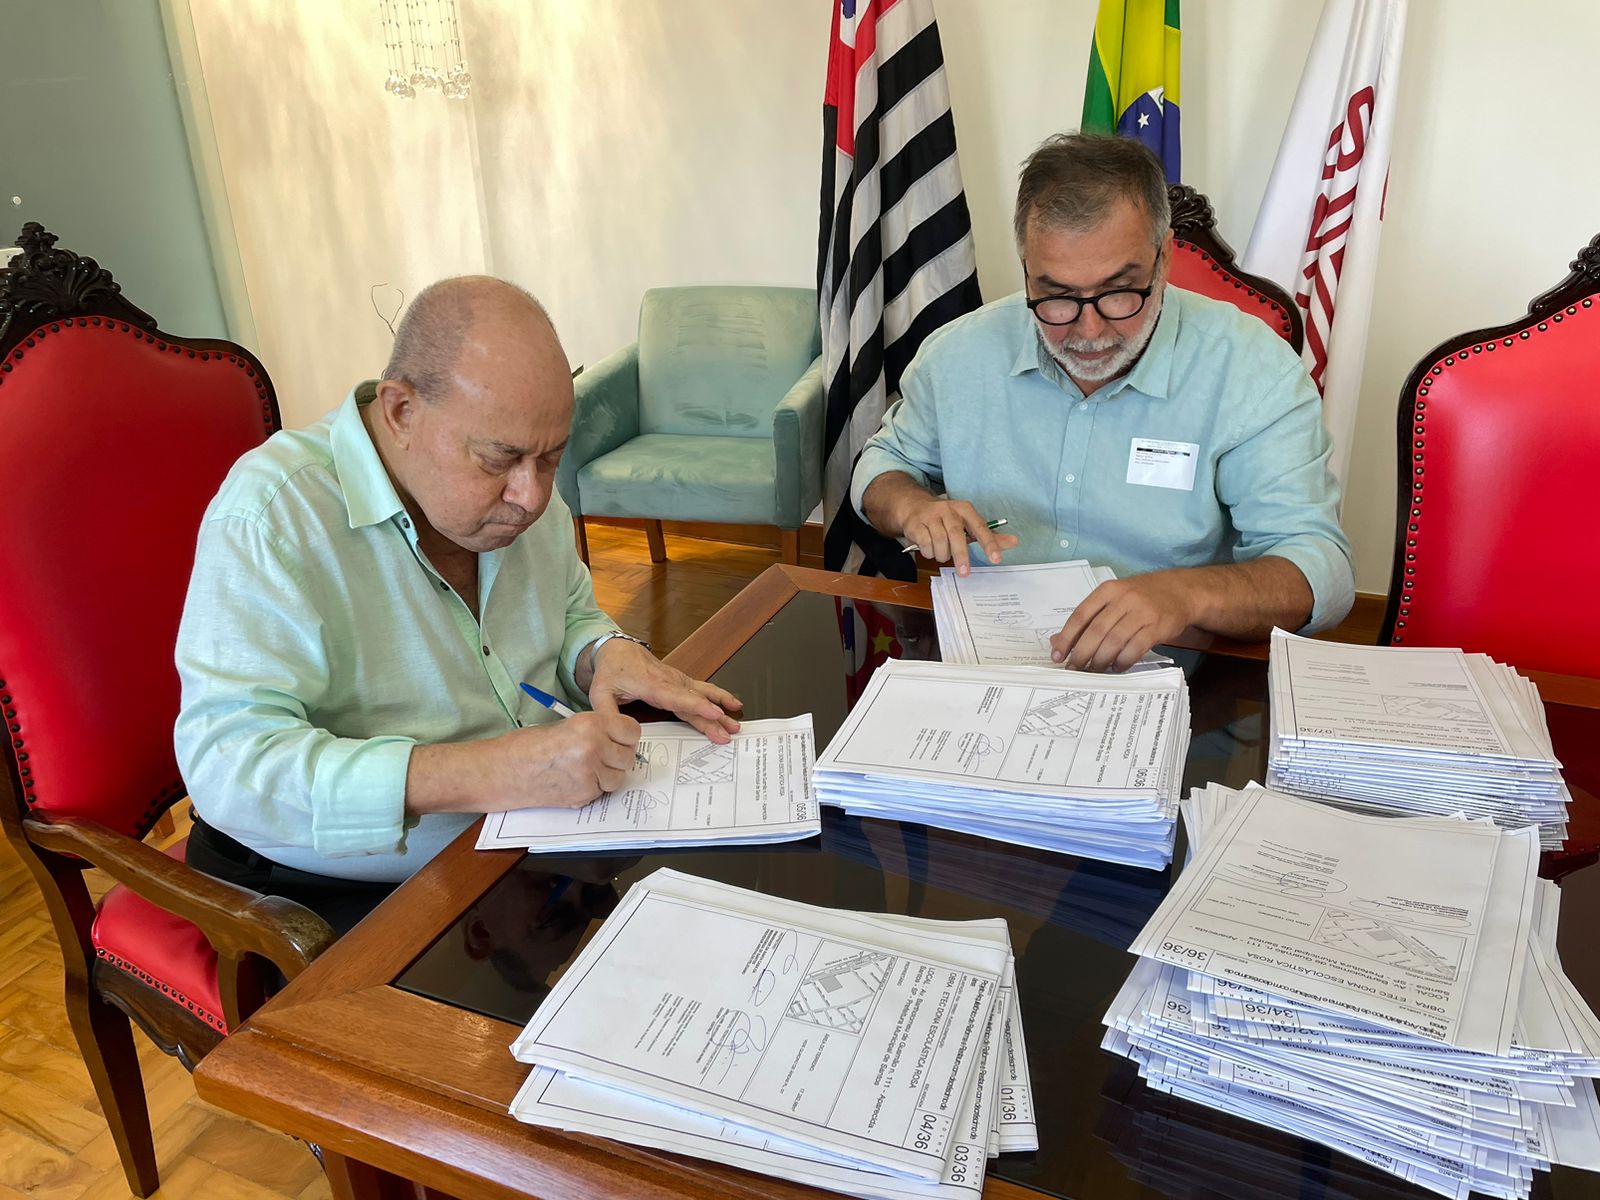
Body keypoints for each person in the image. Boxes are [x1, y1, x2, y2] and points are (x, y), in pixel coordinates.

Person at [175, 276, 741, 933]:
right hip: (332, 887)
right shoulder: (273, 515)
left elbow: (567, 612)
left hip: (527, 844)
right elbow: (230, 767)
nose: (532, 496)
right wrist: (487, 773)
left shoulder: (519, 472)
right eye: (497, 460)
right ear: (400, 412)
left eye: (551, 459)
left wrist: (601, 653)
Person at [852, 133, 1355, 673]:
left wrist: (1184, 595)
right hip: (989, 665)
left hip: (1177, 675)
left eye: (1119, 292)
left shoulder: (1251, 370)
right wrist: (912, 507)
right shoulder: (959, 355)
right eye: (1057, 296)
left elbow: (1319, 568)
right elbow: (881, 467)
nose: (1089, 331)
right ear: (1026, 269)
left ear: (1163, 258)